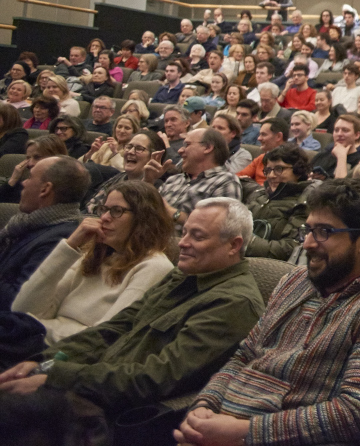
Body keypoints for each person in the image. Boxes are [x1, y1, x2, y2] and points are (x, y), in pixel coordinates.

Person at [177, 179, 360, 446]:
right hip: (221, 421)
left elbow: (357, 411)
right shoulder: (294, 281)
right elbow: (245, 355)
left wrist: (244, 432)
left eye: (323, 231)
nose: (308, 243)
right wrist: (205, 406)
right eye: (308, 230)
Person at [0, 198, 263, 426]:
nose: (182, 243)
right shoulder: (183, 276)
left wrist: (57, 377)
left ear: (233, 245)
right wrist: (44, 362)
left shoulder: (234, 303)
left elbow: (155, 379)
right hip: (93, 381)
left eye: (198, 236)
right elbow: (114, 328)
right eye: (184, 233)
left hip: (116, 409)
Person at [12, 181, 175, 346]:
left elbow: (103, 338)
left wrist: (39, 329)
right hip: (38, 340)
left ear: (143, 218)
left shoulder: (154, 267)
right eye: (104, 209)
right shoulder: (94, 256)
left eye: (117, 211)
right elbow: (22, 309)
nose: (104, 218)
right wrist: (69, 246)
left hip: (65, 353)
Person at [0, 157, 88, 312]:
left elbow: (17, 301)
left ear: (45, 189)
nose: (24, 183)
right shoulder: (27, 224)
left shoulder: (61, 240)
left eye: (30, 177)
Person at [155, 128, 241, 229]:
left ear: (207, 147)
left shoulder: (225, 181)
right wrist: (149, 180)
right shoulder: (173, 180)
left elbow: (217, 227)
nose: (180, 150)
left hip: (183, 238)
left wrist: (171, 212)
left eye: (187, 145)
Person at [243, 144, 313, 260]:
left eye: (279, 169)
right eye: (268, 170)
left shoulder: (303, 204)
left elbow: (289, 248)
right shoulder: (260, 194)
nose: (271, 175)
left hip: (268, 266)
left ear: (298, 171)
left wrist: (245, 242)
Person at [310, 114, 360, 180]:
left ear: (357, 135)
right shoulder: (321, 156)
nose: (339, 134)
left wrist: (341, 157)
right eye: (336, 130)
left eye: (345, 130)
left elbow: (342, 185)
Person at [236, 119, 288, 186]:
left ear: (278, 136)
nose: (259, 138)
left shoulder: (292, 161)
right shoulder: (261, 158)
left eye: (263, 134)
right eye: (260, 134)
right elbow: (237, 177)